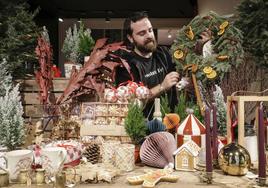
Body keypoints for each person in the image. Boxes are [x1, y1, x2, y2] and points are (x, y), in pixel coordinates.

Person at [115, 11, 180, 120]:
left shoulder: (164, 53)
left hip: (172, 121)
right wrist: (162, 87)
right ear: (131, 38)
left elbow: (183, 71)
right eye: (142, 33)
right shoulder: (126, 65)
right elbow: (131, 102)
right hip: (143, 127)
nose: (149, 35)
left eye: (150, 30)